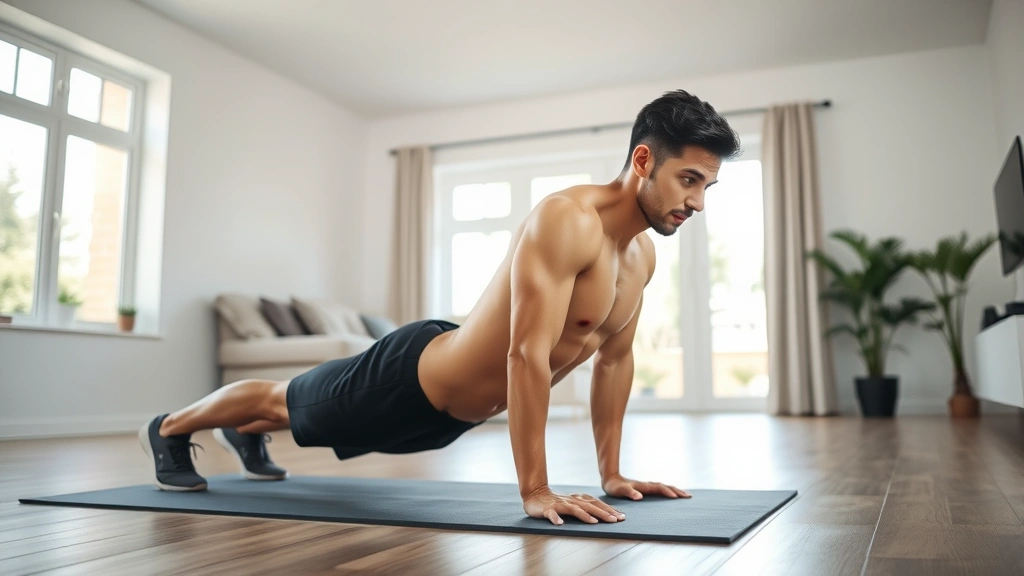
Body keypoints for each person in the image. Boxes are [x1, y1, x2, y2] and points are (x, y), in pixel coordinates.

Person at [140, 89, 740, 527]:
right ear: (642, 161)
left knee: (306, 418)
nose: (698, 202)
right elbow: (525, 351)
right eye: (688, 180)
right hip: (410, 378)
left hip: (449, 418)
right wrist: (535, 488)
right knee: (285, 399)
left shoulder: (640, 258)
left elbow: (613, 361)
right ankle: (168, 429)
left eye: (706, 187)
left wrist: (612, 475)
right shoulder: (568, 219)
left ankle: (246, 435)